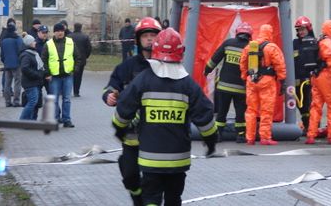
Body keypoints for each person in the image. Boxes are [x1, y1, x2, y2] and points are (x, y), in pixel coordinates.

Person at [112, 28, 217, 206]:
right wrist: (211, 141)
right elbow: (205, 116)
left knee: (151, 198)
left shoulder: (143, 80)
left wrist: (119, 128)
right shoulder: (188, 84)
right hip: (178, 159)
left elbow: (124, 108)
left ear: (155, 50)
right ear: (181, 52)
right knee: (173, 199)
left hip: (150, 158)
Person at [102, 17, 162, 206]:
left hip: (157, 135)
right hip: (131, 135)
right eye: (146, 36)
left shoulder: (166, 66)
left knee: (155, 180)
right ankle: (138, 198)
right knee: (129, 175)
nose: (150, 39)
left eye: (153, 35)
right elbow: (111, 87)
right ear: (138, 39)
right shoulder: (127, 67)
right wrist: (110, 95)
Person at [204, 22, 252, 143]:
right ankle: (240, 135)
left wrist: (206, 71)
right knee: (240, 113)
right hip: (241, 88)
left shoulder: (228, 43)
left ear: (237, 33)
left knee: (222, 112)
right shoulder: (251, 48)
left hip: (224, 87)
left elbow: (215, 59)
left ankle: (218, 134)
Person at [239, 24, 286, 145]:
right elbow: (280, 65)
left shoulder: (250, 46)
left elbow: (243, 62)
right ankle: (265, 137)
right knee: (266, 110)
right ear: (270, 33)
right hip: (267, 82)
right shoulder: (272, 47)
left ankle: (250, 137)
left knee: (251, 110)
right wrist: (282, 80)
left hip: (252, 80)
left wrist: (245, 77)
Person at [306, 19, 331, 145]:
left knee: (316, 106)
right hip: (327, 76)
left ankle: (311, 135)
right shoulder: (329, 43)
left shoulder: (319, 41)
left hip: (316, 76)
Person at [42, 22, 81, 128]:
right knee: (54, 99)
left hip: (67, 75)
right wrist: (47, 73)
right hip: (54, 76)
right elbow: (43, 60)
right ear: (54, 32)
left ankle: (66, 119)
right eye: (58, 31)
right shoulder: (48, 44)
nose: (60, 33)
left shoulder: (70, 42)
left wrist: (75, 70)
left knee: (67, 99)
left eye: (62, 31)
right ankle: (55, 118)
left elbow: (78, 57)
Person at [292, 16, 319, 134]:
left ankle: (313, 127)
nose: (300, 32)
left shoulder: (315, 42)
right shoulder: (294, 43)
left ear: (308, 28)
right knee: (301, 106)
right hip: (298, 79)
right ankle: (307, 124)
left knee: (312, 104)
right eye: (298, 30)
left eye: (302, 29)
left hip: (312, 79)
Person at [19, 34, 49, 120]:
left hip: (35, 82)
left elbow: (40, 66)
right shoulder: (26, 55)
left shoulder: (33, 53)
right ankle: (23, 120)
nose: (35, 42)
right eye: (33, 41)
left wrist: (43, 74)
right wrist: (37, 74)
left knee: (35, 102)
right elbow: (25, 68)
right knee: (33, 101)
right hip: (30, 83)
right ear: (29, 43)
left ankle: (31, 120)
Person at [0, 22, 23, 107]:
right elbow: (21, 50)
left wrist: (5, 62)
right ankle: (16, 101)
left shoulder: (4, 41)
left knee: (7, 83)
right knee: (17, 82)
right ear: (14, 30)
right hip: (16, 64)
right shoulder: (18, 39)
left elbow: (2, 55)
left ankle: (7, 102)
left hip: (7, 64)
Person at [71, 22, 92, 97]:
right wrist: (86, 56)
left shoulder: (69, 36)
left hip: (70, 59)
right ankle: (76, 92)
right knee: (79, 76)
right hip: (81, 59)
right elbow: (89, 48)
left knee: (69, 75)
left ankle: (67, 90)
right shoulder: (85, 37)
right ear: (81, 28)